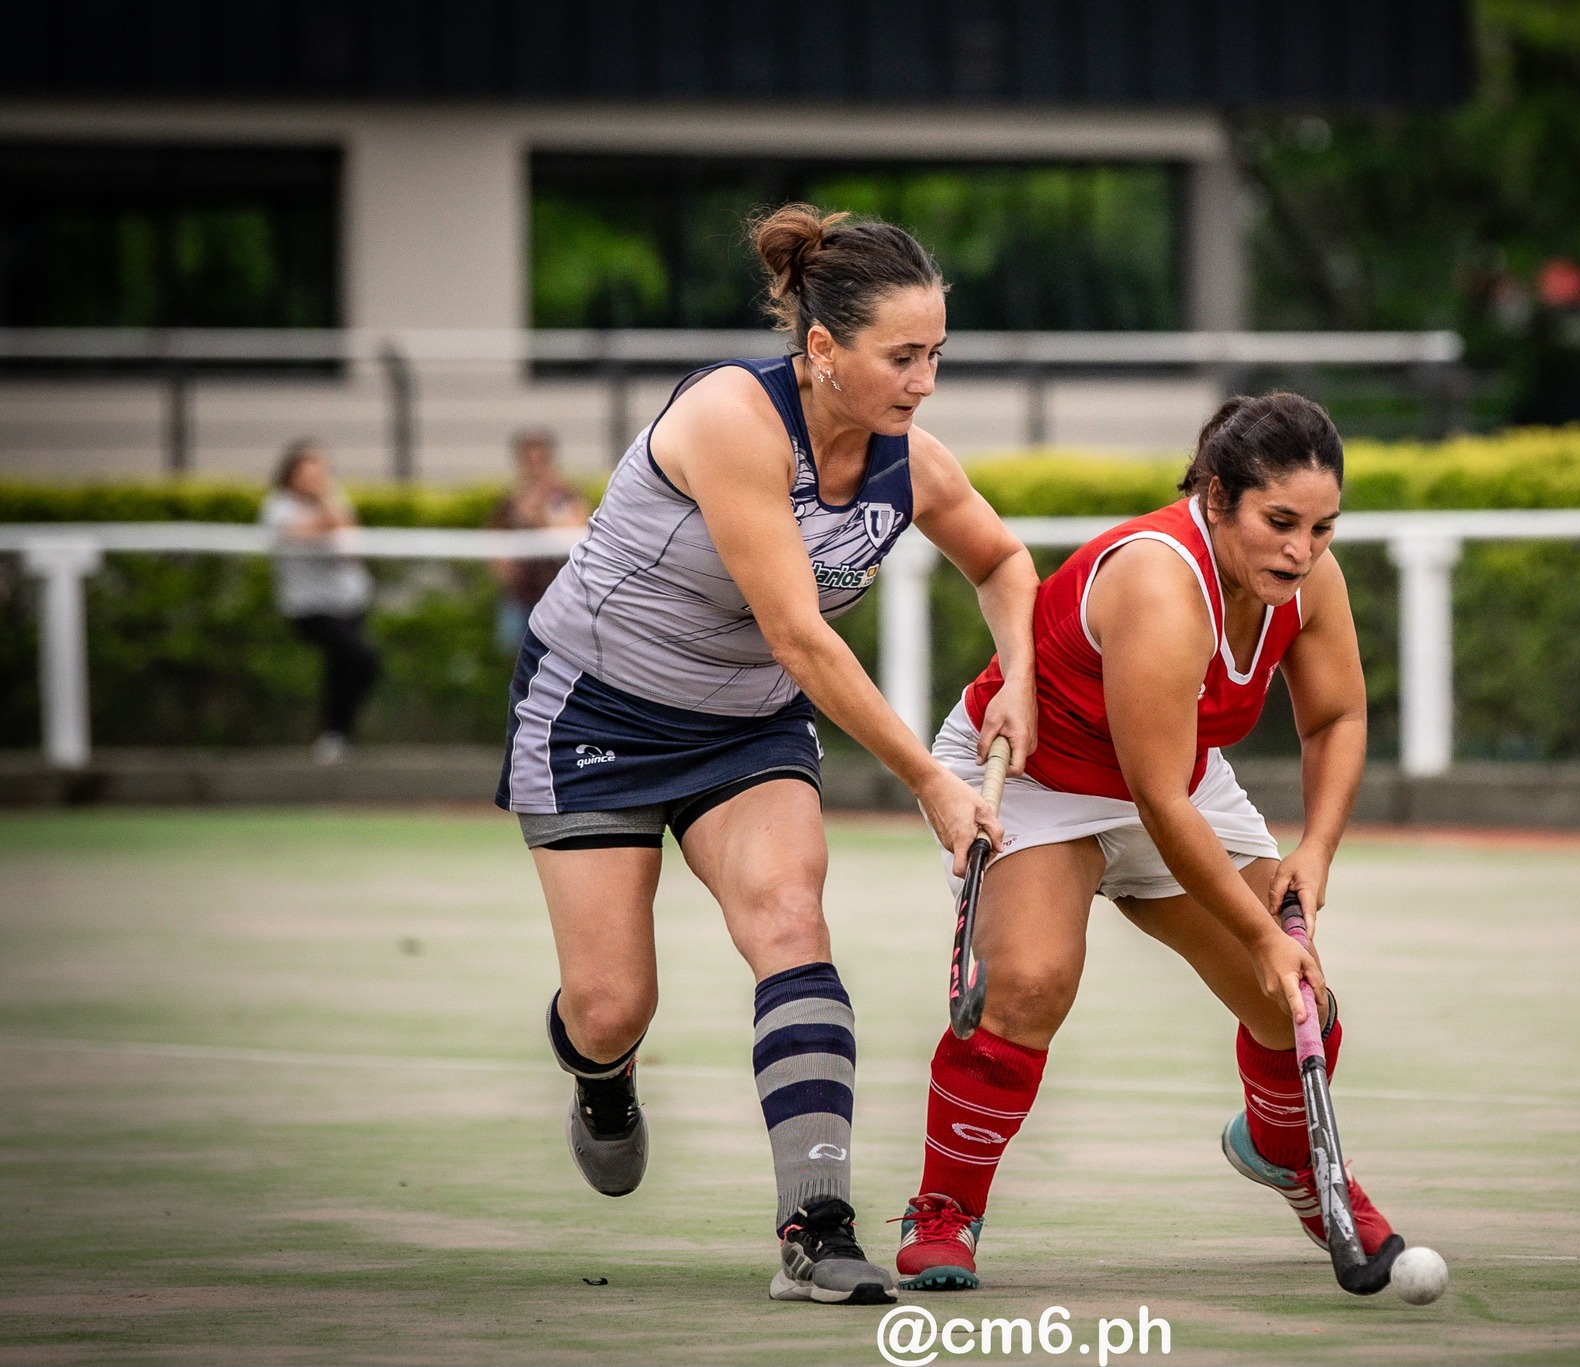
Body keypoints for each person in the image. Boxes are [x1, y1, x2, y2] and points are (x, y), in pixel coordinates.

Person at [496, 204, 1037, 1306]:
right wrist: (930, 780)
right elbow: (798, 631)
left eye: (936, 353)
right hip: (596, 712)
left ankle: (815, 1226)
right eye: (902, 356)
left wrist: (1017, 674)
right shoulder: (731, 417)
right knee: (610, 1006)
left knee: (791, 922)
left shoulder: (909, 461)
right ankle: (600, 1072)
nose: (924, 381)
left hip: (745, 726)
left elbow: (1005, 559)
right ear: (823, 349)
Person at [893, 393, 1403, 1290]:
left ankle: (1290, 1156)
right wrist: (1258, 934)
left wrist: (1316, 848)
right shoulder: (1162, 582)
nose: (1302, 549)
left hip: (1175, 770)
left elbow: (1337, 715)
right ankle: (946, 1207)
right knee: (1029, 981)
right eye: (1279, 522)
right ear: (1216, 497)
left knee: (1298, 1002)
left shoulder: (1309, 581)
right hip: (1045, 777)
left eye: (1323, 528)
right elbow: (1158, 801)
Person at [260, 440, 381, 764]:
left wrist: (326, 505)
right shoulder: (278, 505)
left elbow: (350, 536)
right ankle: (336, 733)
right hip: (309, 607)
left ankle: (338, 735)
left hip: (349, 601)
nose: (316, 479)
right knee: (359, 658)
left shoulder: (334, 498)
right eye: (308, 472)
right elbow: (301, 532)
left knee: (346, 669)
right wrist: (325, 520)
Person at [487, 428, 590, 655]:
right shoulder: (511, 499)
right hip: (520, 593)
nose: (534, 467)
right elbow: (496, 536)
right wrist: (503, 569)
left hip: (556, 593)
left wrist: (538, 515)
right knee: (515, 655)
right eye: (528, 460)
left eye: (539, 460)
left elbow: (578, 531)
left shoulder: (563, 496)